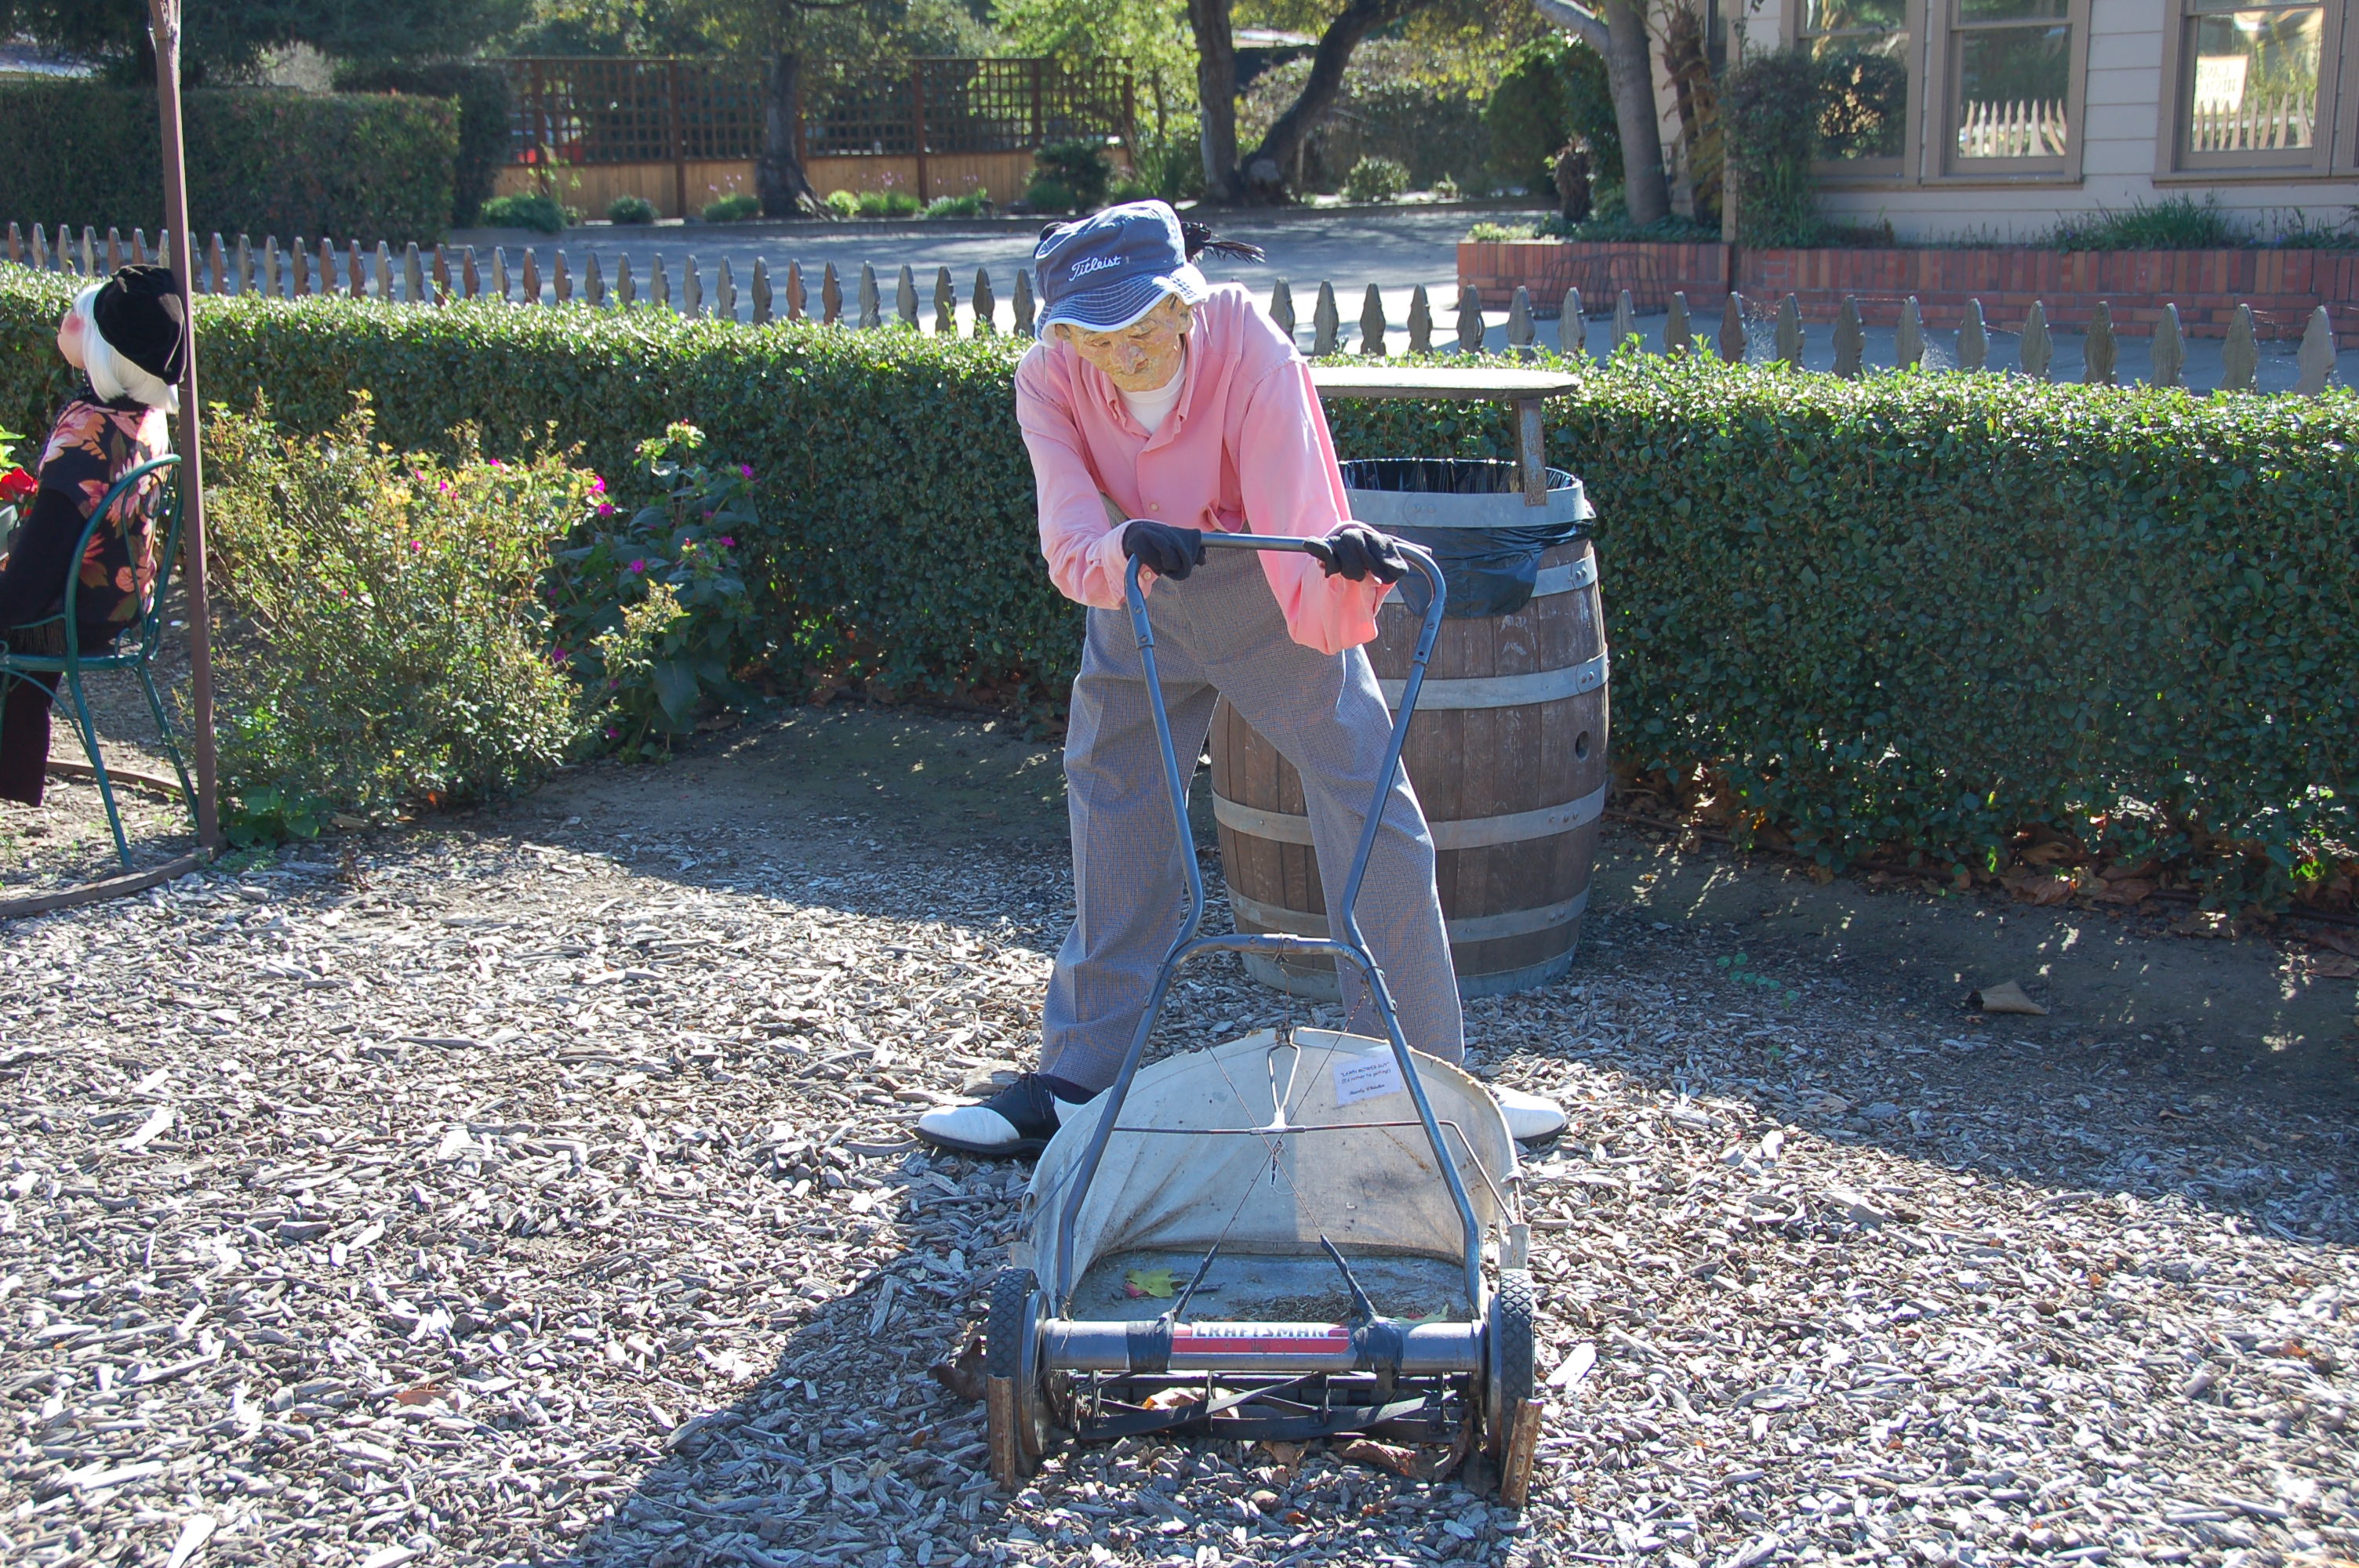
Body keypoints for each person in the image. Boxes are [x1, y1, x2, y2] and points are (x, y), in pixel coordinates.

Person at [916, 201, 1565, 1158]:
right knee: (1112, 798)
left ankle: (1418, 1079)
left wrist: (1334, 568)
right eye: (1094, 333)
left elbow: (1295, 493)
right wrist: (1125, 551)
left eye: (1141, 325)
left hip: (1262, 572)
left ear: (1184, 304)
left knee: (1368, 799)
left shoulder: (1245, 343)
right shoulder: (1047, 379)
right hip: (1136, 579)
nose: (1123, 352)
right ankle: (1075, 1082)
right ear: (1059, 331)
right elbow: (1068, 542)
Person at [0, 264, 182, 806]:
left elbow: (26, 592)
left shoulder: (88, 435)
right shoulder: (144, 415)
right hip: (119, 604)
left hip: (69, 616)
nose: (65, 323)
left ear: (103, 350)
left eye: (78, 319)